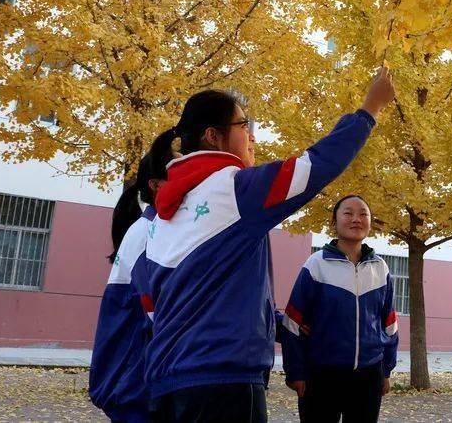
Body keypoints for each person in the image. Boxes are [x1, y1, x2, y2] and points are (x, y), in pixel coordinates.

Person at [145, 67, 395, 423]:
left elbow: (155, 305)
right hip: (223, 384)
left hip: (167, 383)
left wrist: (269, 321)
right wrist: (370, 109)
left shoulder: (164, 215)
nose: (252, 137)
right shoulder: (234, 191)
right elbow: (316, 165)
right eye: (244, 125)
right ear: (214, 136)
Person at [280, 195, 399, 423]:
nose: (356, 219)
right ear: (334, 222)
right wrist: (295, 371)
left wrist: (386, 370)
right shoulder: (316, 265)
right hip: (321, 375)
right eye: (348, 213)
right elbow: (292, 323)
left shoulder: (380, 268)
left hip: (368, 375)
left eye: (363, 214)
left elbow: (390, 324)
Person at [89, 153, 167, 422]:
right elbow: (158, 315)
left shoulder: (153, 231)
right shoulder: (149, 235)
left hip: (139, 386)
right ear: (156, 185)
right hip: (137, 390)